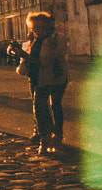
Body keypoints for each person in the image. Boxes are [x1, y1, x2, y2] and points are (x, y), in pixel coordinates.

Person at [22, 11, 68, 156]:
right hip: (38, 77)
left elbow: (44, 61)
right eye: (34, 27)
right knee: (40, 105)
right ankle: (43, 134)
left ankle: (55, 136)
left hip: (55, 77)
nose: (36, 30)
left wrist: (23, 55)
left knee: (52, 105)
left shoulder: (52, 39)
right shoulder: (36, 39)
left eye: (39, 27)